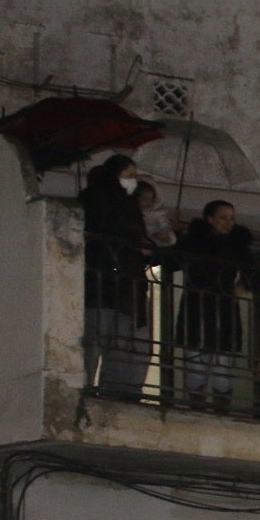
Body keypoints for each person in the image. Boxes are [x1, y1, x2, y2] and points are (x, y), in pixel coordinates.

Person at [79, 154, 153, 398]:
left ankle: (117, 392)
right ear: (115, 175)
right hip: (104, 284)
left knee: (121, 343)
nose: (133, 181)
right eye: (129, 176)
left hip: (125, 287)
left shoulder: (126, 203)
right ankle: (85, 388)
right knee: (95, 341)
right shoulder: (101, 199)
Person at [174, 199, 256, 407]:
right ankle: (197, 410)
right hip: (198, 309)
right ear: (210, 219)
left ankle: (221, 413)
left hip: (224, 311)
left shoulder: (238, 245)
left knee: (223, 368)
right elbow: (171, 260)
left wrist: (242, 285)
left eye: (232, 218)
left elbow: (253, 273)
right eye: (223, 217)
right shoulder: (193, 241)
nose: (228, 222)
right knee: (196, 368)